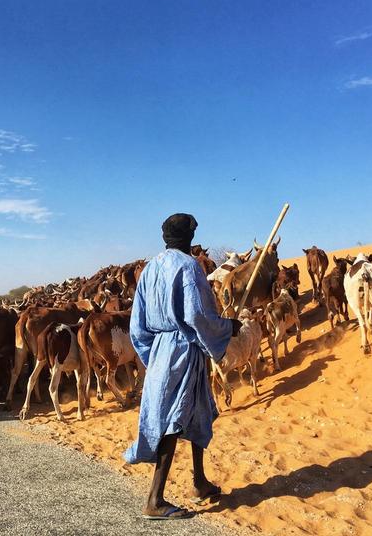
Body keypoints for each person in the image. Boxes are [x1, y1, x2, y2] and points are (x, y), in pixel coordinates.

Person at [124, 212, 241, 520]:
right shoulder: (190, 268)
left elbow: (137, 325)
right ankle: (154, 499)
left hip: (163, 350)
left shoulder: (150, 270)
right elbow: (198, 317)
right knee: (173, 419)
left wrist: (153, 356)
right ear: (189, 238)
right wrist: (229, 327)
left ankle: (200, 482)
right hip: (184, 351)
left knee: (198, 410)